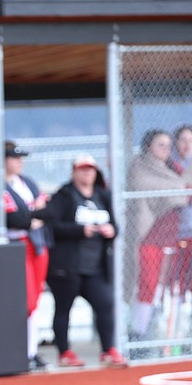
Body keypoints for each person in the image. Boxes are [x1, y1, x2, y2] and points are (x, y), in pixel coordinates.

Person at [128, 127, 192, 349]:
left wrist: (183, 186)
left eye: (168, 146)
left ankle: (177, 335)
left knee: (175, 287)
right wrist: (181, 190)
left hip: (170, 236)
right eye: (161, 145)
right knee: (149, 286)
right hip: (149, 235)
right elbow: (173, 192)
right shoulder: (141, 167)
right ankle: (138, 335)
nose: (166, 150)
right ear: (148, 147)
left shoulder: (173, 167)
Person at [46, 155, 128, 368]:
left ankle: (108, 350)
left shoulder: (102, 195)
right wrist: (81, 230)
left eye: (90, 169)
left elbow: (115, 225)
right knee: (63, 308)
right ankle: (64, 352)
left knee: (105, 303)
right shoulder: (64, 195)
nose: (87, 173)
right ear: (74, 172)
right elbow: (53, 225)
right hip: (67, 266)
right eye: (82, 169)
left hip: (95, 266)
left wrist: (112, 230)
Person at [0, 141, 53, 371]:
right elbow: (13, 220)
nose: (19, 161)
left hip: (37, 244)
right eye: (13, 157)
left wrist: (31, 216)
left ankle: (31, 351)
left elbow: (49, 211)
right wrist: (33, 215)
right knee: (26, 302)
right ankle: (23, 352)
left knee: (36, 300)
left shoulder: (27, 182)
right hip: (16, 245)